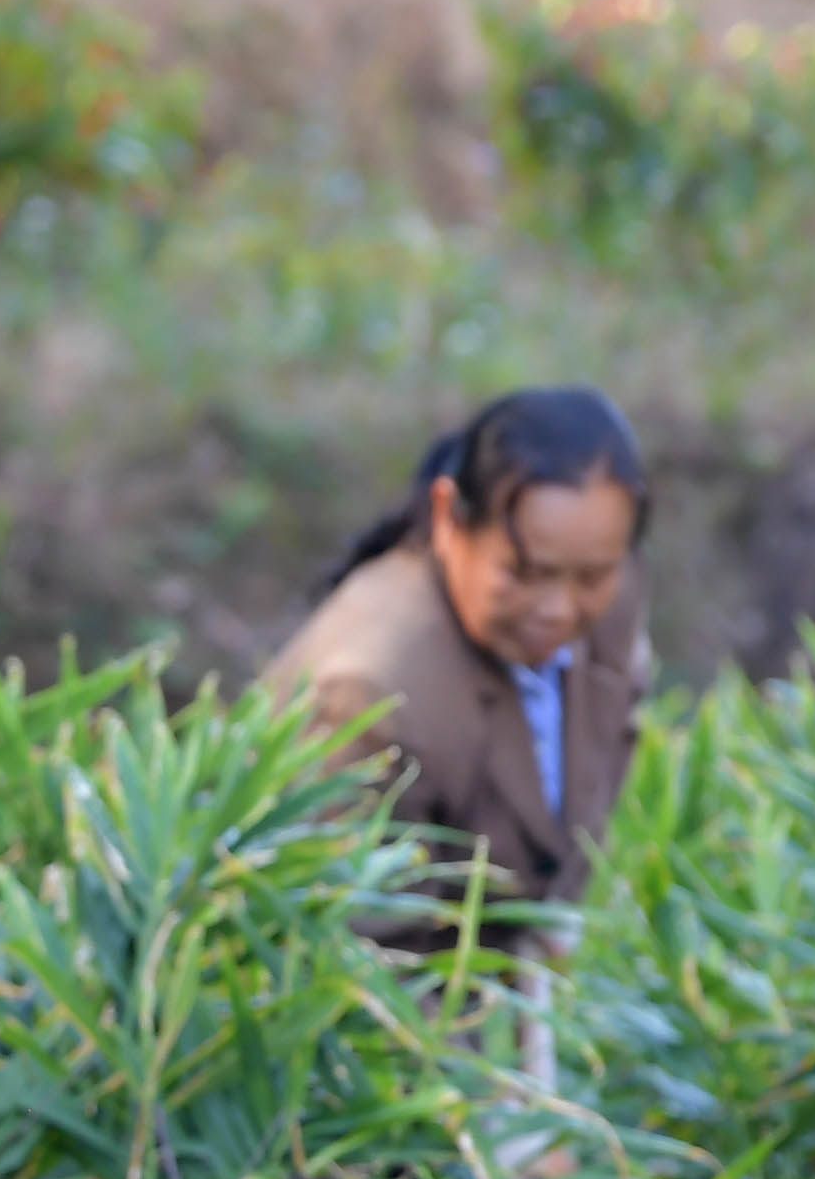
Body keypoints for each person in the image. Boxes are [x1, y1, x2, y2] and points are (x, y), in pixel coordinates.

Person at [259, 386, 651, 925]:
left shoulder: (607, 605)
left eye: (593, 576)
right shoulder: (369, 694)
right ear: (448, 519)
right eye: (525, 574)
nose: (560, 609)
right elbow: (344, 948)